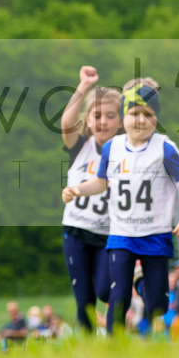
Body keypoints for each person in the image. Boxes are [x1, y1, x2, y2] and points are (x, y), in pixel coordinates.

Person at [62, 83, 179, 335]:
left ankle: (155, 336)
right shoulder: (112, 148)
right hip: (121, 234)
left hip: (155, 234)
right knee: (117, 293)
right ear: (125, 117)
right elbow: (101, 182)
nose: (141, 120)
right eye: (134, 113)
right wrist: (78, 189)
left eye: (148, 114)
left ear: (156, 119)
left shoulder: (164, 148)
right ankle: (116, 343)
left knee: (157, 301)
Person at [60, 66, 122, 333]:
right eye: (97, 115)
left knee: (105, 292)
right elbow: (65, 123)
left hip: (109, 233)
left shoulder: (124, 152)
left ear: (120, 121)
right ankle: (85, 346)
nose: (103, 122)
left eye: (110, 116)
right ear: (88, 118)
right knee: (84, 298)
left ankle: (115, 330)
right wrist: (83, 86)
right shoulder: (80, 146)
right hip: (76, 231)